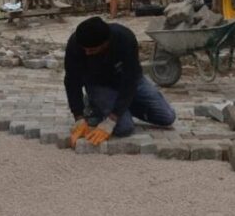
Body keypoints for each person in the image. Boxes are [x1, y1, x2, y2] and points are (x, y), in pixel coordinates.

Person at [64, 17, 176, 147]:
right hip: (99, 85)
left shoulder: (125, 38)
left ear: (106, 43)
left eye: (92, 50)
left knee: (167, 117)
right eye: (85, 50)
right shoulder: (76, 43)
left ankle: (121, 105)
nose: (87, 53)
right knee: (124, 128)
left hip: (129, 80)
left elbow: (131, 79)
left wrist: (111, 120)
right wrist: (78, 117)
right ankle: (94, 104)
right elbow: (72, 80)